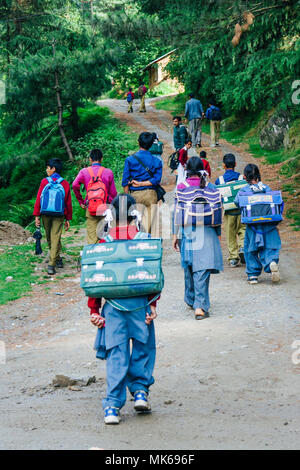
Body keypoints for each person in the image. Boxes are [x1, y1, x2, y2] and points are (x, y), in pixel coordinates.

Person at [88, 194, 161, 424]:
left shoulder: (103, 243)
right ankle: (140, 392)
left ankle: (112, 407)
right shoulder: (144, 239)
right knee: (143, 348)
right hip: (140, 305)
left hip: (113, 308)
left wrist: (94, 310)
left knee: (116, 354)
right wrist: (152, 305)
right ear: (133, 214)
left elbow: (94, 280)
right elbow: (155, 276)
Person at [173, 157, 223, 320]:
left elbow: (177, 212)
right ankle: (200, 306)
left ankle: (191, 298)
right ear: (203, 169)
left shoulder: (181, 187)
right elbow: (217, 209)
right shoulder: (212, 187)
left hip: (187, 232)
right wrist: (218, 232)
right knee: (202, 268)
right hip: (207, 230)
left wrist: (175, 235)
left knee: (189, 266)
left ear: (187, 170)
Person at [234, 163, 281, 285]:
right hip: (269, 224)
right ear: (259, 175)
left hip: (252, 225)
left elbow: (237, 203)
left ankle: (253, 274)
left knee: (250, 248)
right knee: (269, 246)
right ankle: (271, 262)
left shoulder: (243, 190)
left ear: (245, 177)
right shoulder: (267, 188)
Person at [33, 158, 72, 275]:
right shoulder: (64, 183)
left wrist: (37, 215)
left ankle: (51, 264)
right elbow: (68, 203)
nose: (46, 170)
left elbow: (39, 198)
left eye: (48, 167)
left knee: (50, 238)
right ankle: (57, 258)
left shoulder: (45, 182)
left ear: (53, 168)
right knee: (55, 238)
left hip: (45, 214)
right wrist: (68, 218)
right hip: (59, 215)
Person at [72, 149, 117, 244]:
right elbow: (113, 193)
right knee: (106, 236)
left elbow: (75, 185)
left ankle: (94, 255)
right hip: (105, 208)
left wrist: (81, 201)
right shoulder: (108, 172)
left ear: (90, 159)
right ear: (102, 159)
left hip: (91, 207)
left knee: (92, 238)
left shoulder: (84, 172)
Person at [122, 132, 163, 235]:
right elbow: (156, 180)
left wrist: (127, 198)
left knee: (134, 223)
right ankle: (146, 244)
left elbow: (125, 182)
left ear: (138, 142)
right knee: (149, 224)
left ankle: (134, 244)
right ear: (151, 145)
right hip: (151, 194)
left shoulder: (130, 160)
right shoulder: (157, 161)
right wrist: (142, 183)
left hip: (135, 195)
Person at [215, 153, 245, 267]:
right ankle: (242, 246)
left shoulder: (220, 180)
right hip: (241, 211)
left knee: (230, 235)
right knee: (243, 230)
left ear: (223, 165)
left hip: (228, 212)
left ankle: (233, 257)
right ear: (235, 164)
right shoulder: (242, 178)